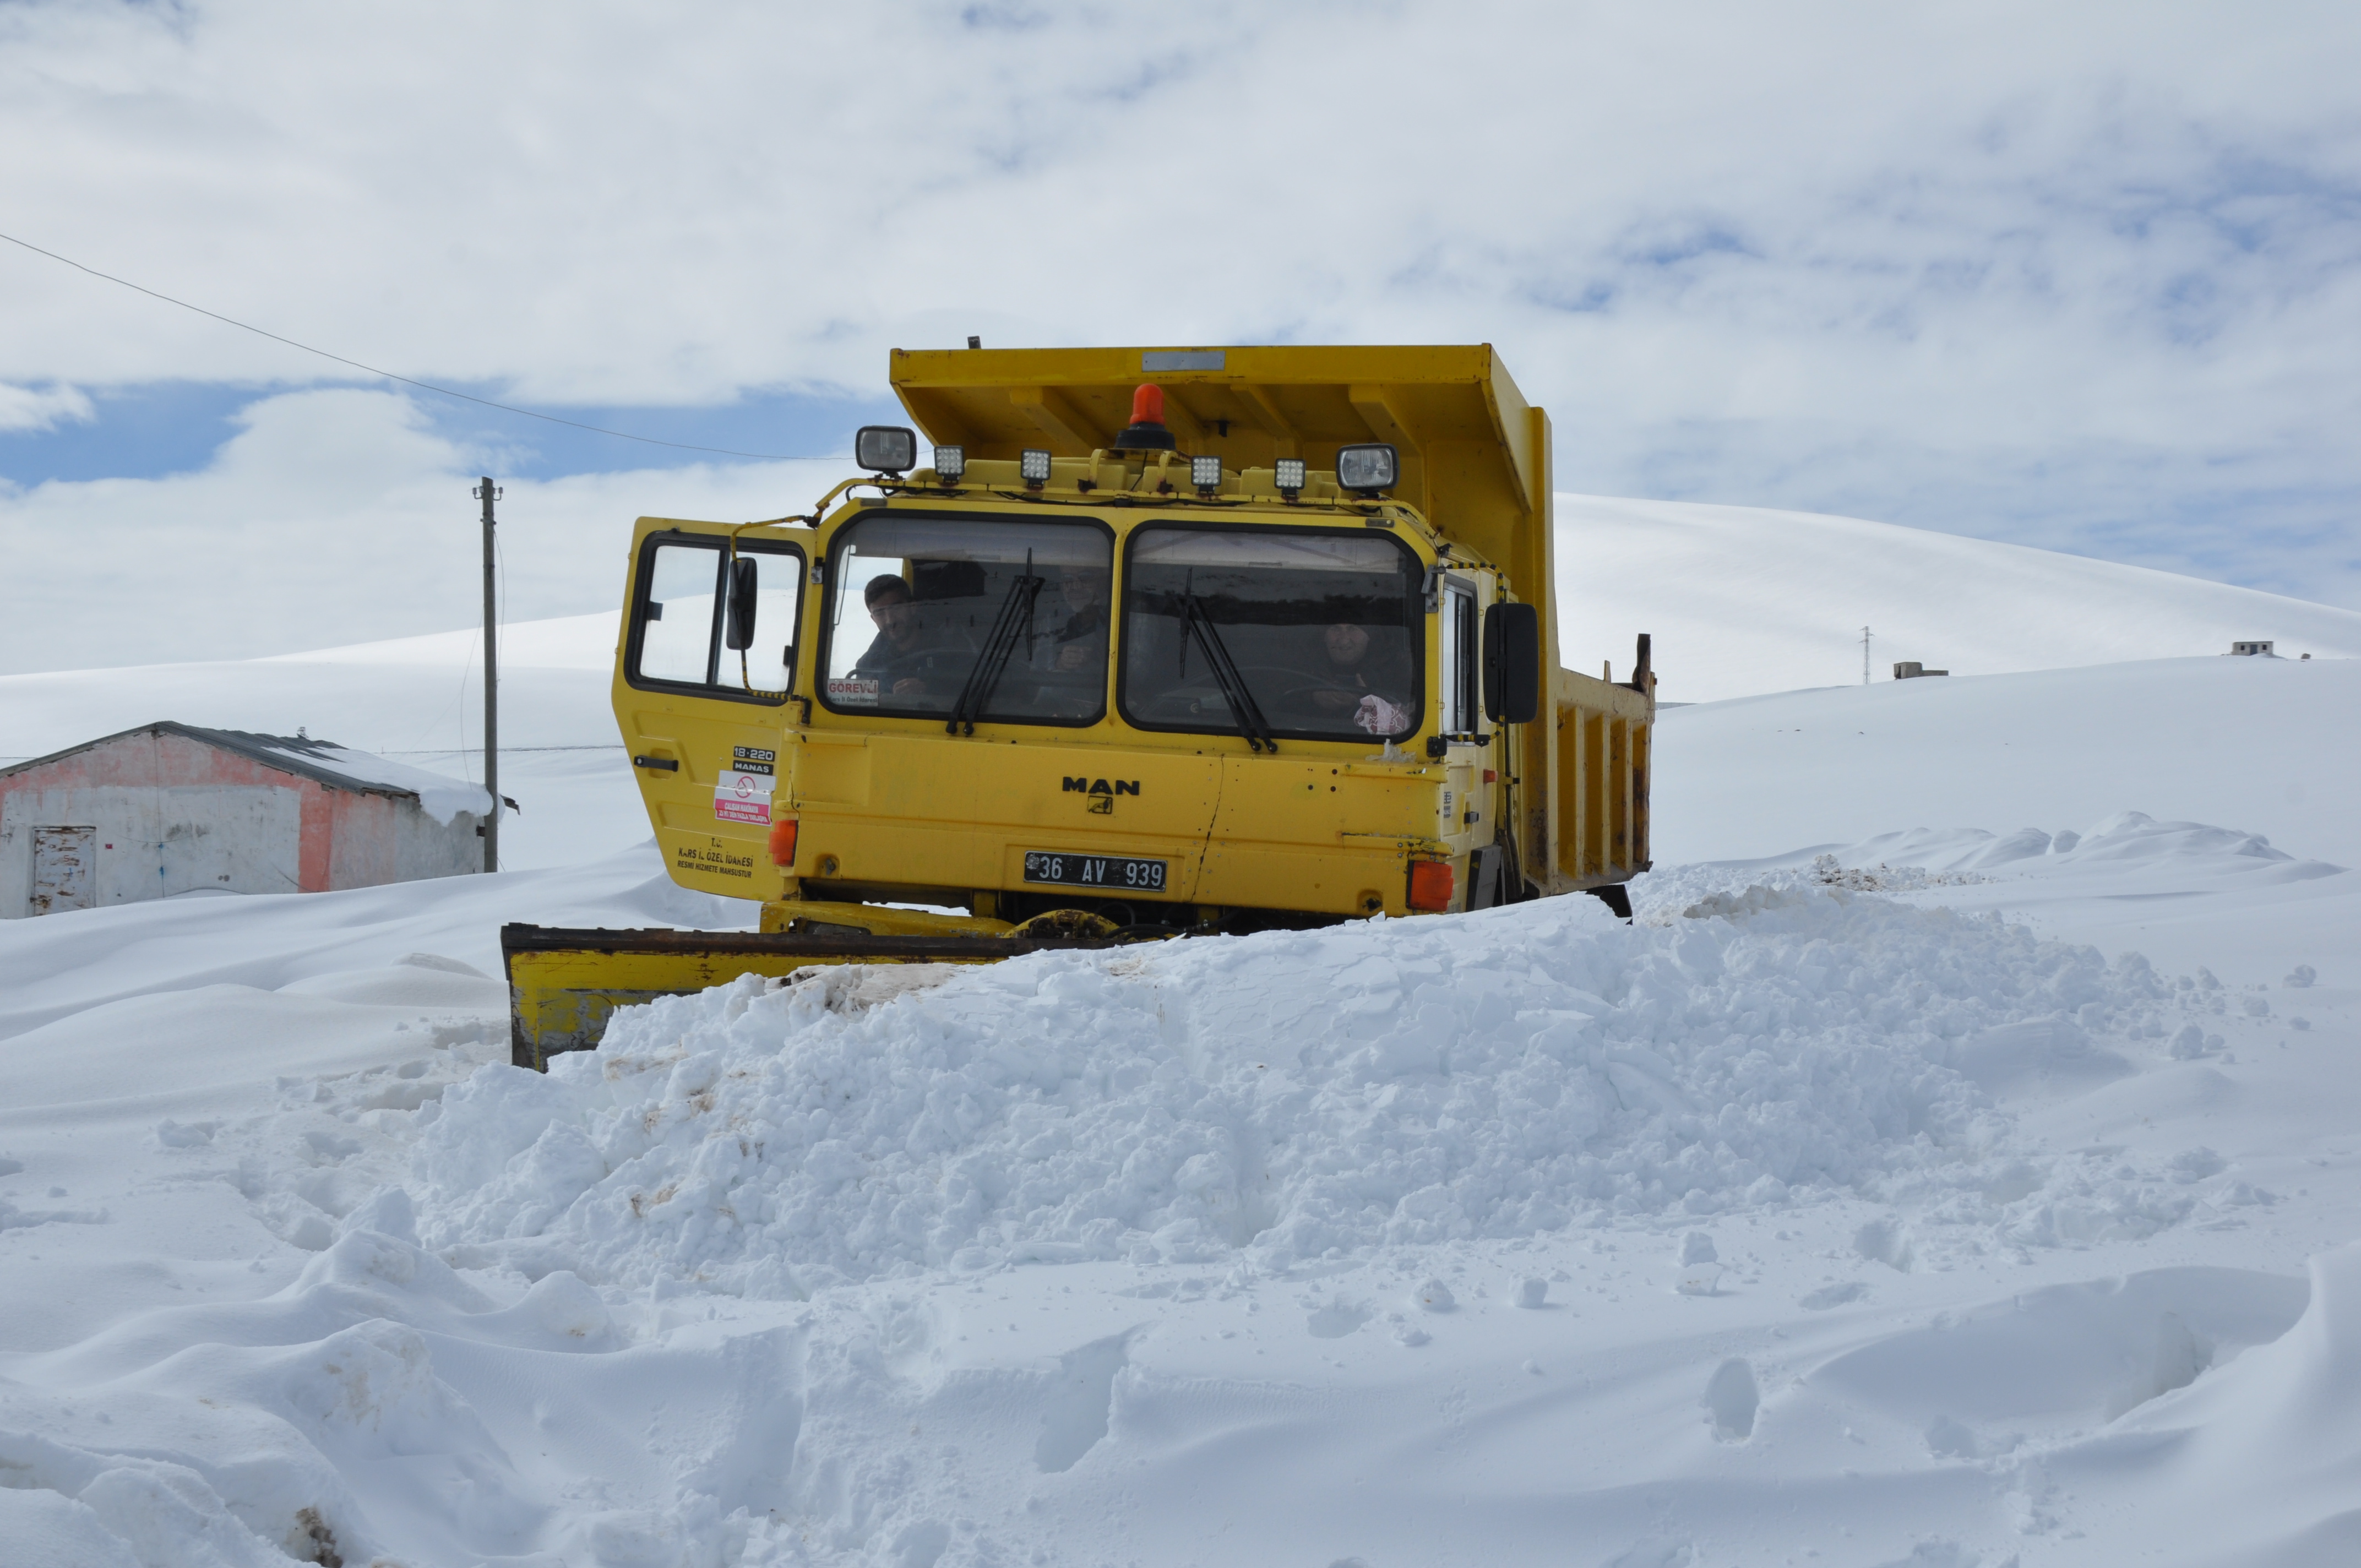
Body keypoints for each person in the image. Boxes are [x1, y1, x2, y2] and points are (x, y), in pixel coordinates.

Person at [850, 574, 956, 698]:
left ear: (912, 607)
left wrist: (929, 689)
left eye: (896, 608)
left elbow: (973, 692)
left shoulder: (950, 646)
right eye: (880, 613)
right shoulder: (869, 665)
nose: (890, 621)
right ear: (873, 619)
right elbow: (861, 707)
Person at [1306, 621, 1412, 734]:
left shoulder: (1397, 665)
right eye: (1335, 629)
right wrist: (1313, 697)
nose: (1344, 640)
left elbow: (1410, 706)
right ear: (1324, 637)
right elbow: (1287, 705)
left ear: (1368, 636)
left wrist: (1368, 697)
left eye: (1353, 629)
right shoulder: (1305, 661)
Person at [1044, 564, 1109, 673]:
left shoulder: (1119, 617)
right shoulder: (1052, 620)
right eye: (1067, 579)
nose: (1076, 586)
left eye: (1086, 578)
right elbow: (1036, 666)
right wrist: (1061, 663)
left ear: (1102, 582)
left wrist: (1095, 660)